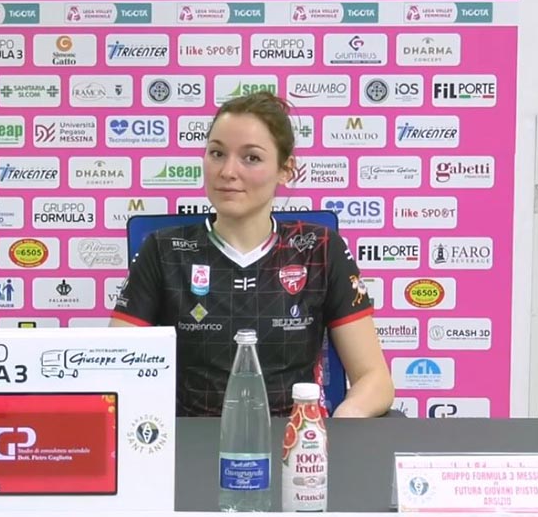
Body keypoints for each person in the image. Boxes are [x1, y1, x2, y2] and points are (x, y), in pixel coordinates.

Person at [111, 91, 394, 418]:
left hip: (293, 438)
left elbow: (374, 379)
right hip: (186, 440)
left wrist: (340, 424)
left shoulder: (319, 248)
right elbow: (116, 368)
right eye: (217, 153)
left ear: (286, 170)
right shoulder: (163, 250)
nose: (227, 171)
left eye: (251, 158)